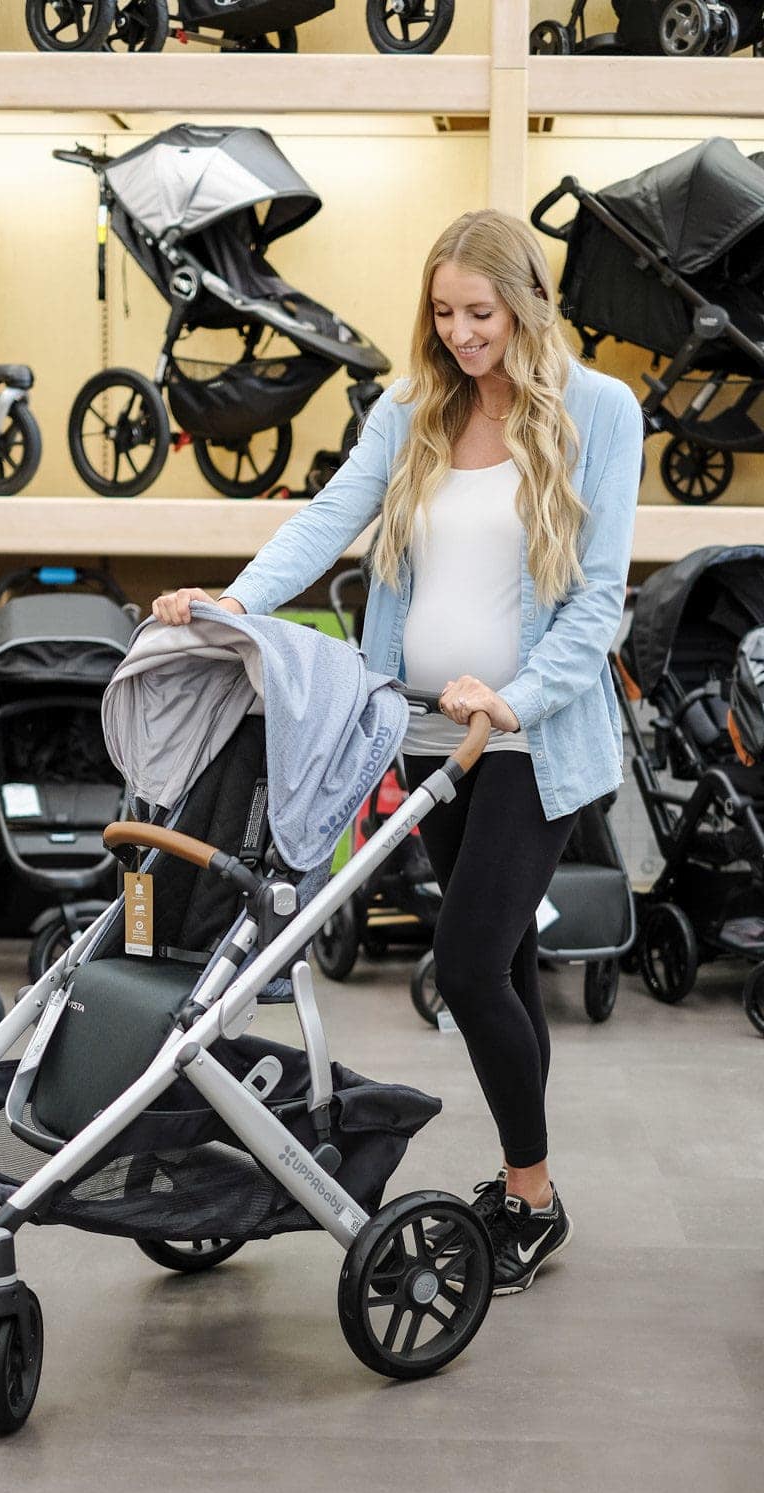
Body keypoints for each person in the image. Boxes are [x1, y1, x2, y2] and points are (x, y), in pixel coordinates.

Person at [152, 209, 643, 1295]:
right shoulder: (414, 408)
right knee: (502, 963)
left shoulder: (602, 411)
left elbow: (598, 601)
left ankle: (532, 1196)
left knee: (467, 965)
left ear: (526, 304)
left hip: (527, 741)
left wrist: (510, 700)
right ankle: (525, 1195)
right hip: (423, 733)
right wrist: (231, 601)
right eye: (443, 313)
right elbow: (327, 519)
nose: (462, 335)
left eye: (481, 313)